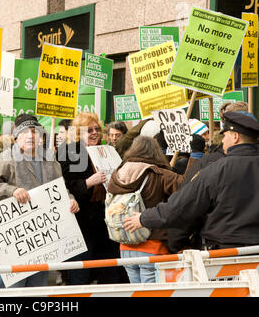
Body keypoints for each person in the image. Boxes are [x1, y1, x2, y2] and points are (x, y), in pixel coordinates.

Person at [123, 111, 259, 251]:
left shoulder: (217, 170)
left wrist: (144, 218)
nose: (222, 140)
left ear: (235, 137)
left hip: (225, 252)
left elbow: (181, 205)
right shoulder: (217, 169)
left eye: (224, 136)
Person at [0, 114, 79, 288]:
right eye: (25, 132)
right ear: (16, 136)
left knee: (38, 288)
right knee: (13, 290)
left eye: (34, 131)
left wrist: (70, 199)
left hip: (44, 240)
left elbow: (61, 189)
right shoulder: (5, 158)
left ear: (41, 136)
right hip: (16, 240)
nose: (30, 135)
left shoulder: (50, 160)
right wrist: (12, 190)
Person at [57, 112, 129, 285]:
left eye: (97, 129)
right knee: (80, 274)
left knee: (109, 271)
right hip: (81, 224)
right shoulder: (67, 152)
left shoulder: (106, 151)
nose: (95, 132)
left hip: (106, 222)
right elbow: (61, 186)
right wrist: (88, 183)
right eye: (89, 130)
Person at [107, 136, 184, 283]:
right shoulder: (159, 174)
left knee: (136, 291)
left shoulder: (118, 173)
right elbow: (187, 189)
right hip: (152, 247)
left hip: (125, 245)